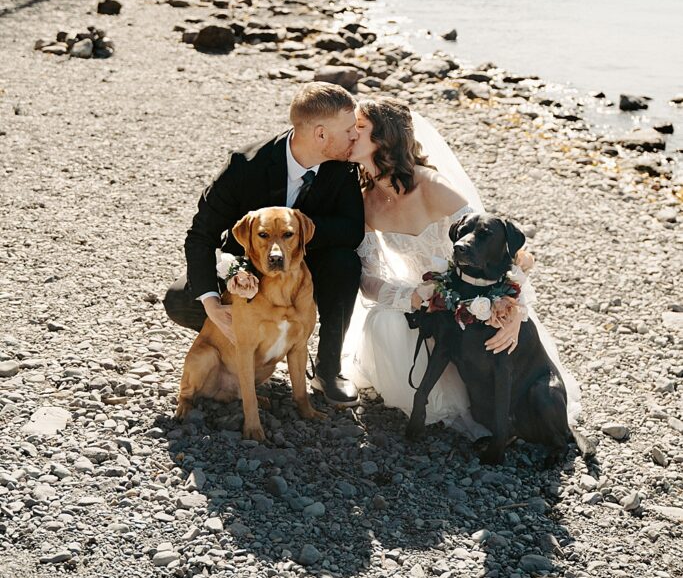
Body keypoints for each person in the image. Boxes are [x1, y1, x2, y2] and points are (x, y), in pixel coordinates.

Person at [343, 98, 580, 433]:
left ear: (385, 137)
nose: (350, 133)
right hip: (424, 300)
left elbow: (500, 250)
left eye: (360, 128)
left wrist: (514, 310)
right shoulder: (364, 201)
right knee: (383, 324)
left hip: (475, 294)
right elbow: (367, 278)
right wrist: (409, 295)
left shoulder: (432, 186)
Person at [163, 83, 365, 406]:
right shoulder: (246, 166)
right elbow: (201, 234)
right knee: (179, 298)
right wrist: (213, 305)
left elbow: (352, 230)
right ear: (321, 135)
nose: (355, 135)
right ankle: (240, 350)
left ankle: (328, 368)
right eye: (349, 129)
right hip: (247, 268)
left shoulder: (343, 169)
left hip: (308, 266)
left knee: (346, 263)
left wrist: (295, 229)